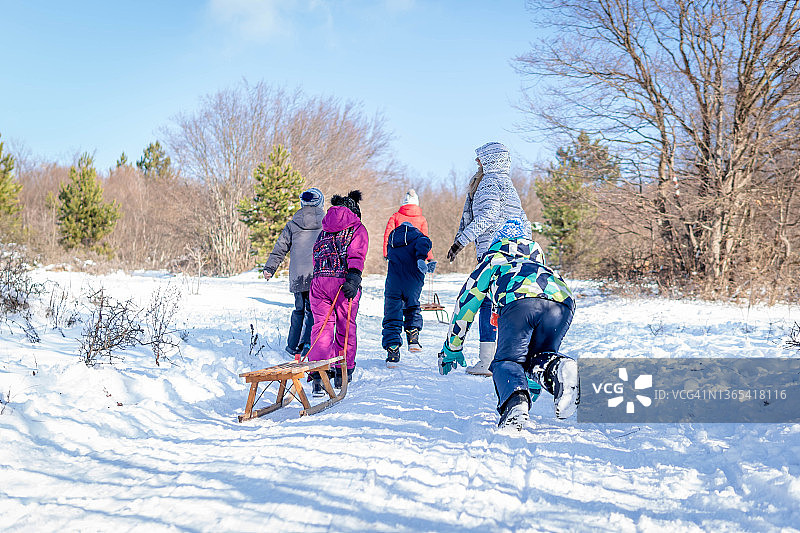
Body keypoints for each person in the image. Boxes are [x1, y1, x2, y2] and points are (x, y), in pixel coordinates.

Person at [438, 219, 579, 430]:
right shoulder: (539, 264)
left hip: (519, 299)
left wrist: (452, 348)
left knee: (506, 361)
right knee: (539, 356)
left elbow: (466, 305)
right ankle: (559, 367)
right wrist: (527, 384)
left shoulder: (493, 260)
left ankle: (515, 405)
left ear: (498, 241)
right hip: (563, 302)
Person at [446, 142, 531, 377]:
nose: (477, 162)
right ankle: (510, 358)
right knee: (508, 302)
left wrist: (460, 241)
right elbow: (524, 220)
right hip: (516, 252)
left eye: (481, 158)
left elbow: (488, 215)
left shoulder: (488, 182)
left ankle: (487, 361)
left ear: (491, 160)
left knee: (485, 302)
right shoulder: (509, 185)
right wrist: (527, 248)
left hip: (493, 253)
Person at [307, 190, 369, 396]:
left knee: (321, 327)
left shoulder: (324, 229)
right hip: (343, 283)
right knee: (345, 326)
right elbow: (357, 254)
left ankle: (319, 376)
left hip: (319, 282)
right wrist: (354, 277)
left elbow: (316, 254)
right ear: (355, 211)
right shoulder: (357, 228)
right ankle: (343, 372)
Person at [262, 187, 324, 357]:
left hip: (299, 276)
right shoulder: (327, 224)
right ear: (320, 202)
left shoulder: (293, 224)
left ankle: (293, 346)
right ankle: (308, 345)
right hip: (319, 274)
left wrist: (270, 267)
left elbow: (280, 248)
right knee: (314, 311)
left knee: (299, 310)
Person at [382, 222, 433, 364]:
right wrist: (421, 259)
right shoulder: (418, 237)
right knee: (412, 307)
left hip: (393, 283)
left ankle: (392, 352)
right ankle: (413, 339)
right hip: (412, 281)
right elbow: (425, 243)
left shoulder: (392, 239)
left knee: (392, 315)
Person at [382, 189, 433, 260]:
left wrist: (386, 253)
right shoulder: (422, 219)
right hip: (415, 255)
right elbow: (425, 239)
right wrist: (429, 256)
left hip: (397, 255)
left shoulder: (395, 216)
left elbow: (388, 235)